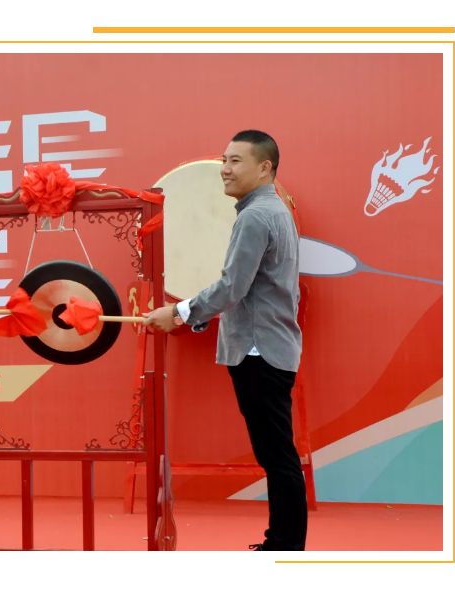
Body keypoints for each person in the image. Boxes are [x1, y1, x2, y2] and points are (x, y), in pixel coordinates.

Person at [144, 130, 307, 551]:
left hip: (259, 348)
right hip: (269, 345)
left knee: (277, 455)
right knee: (276, 453)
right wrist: (193, 315)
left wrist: (179, 313)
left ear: (264, 167)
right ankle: (281, 542)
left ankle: (286, 547)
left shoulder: (255, 216)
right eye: (224, 160)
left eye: (235, 161)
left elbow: (233, 286)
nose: (225, 169)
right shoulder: (273, 211)